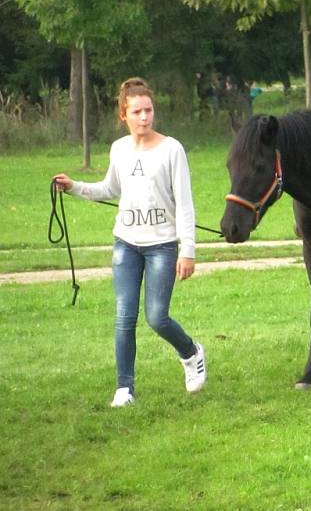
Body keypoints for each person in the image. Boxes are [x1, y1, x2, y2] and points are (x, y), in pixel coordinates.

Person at [52, 77, 206, 407]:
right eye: (136, 111)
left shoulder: (172, 149)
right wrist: (74, 186)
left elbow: (185, 203)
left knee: (156, 317)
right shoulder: (119, 149)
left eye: (148, 110)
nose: (144, 117)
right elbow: (110, 189)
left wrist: (188, 250)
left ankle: (191, 353)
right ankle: (125, 388)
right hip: (126, 244)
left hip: (162, 246)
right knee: (124, 317)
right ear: (124, 115)